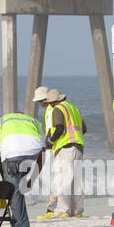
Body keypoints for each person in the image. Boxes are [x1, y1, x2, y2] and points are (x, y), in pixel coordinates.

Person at [0, 109, 44, 227]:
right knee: (17, 192)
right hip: (33, 152)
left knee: (15, 194)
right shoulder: (33, 122)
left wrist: (2, 173)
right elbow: (43, 151)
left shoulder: (2, 121)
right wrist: (32, 178)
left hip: (12, 155)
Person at [44, 89, 86, 219]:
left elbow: (59, 128)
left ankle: (64, 210)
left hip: (65, 147)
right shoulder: (74, 109)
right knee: (76, 180)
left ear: (53, 102)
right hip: (78, 147)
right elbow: (84, 129)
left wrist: (51, 141)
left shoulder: (58, 109)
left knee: (63, 179)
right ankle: (77, 210)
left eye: (50, 103)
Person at [32, 86, 60, 220]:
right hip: (58, 147)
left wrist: (46, 144)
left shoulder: (51, 110)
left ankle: (51, 208)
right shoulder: (53, 108)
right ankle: (53, 207)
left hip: (54, 148)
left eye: (40, 101)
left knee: (56, 179)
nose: (39, 104)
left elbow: (51, 130)